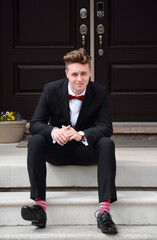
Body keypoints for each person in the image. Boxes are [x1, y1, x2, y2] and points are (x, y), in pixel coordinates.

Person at [21, 48, 117, 234]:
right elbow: (35, 124)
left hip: (85, 151)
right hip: (58, 151)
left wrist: (81, 134)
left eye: (83, 73)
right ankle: (39, 208)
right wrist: (54, 131)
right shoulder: (51, 89)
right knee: (35, 141)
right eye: (74, 74)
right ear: (67, 74)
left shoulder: (99, 91)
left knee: (107, 143)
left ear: (90, 72)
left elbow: (106, 127)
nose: (79, 79)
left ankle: (104, 212)